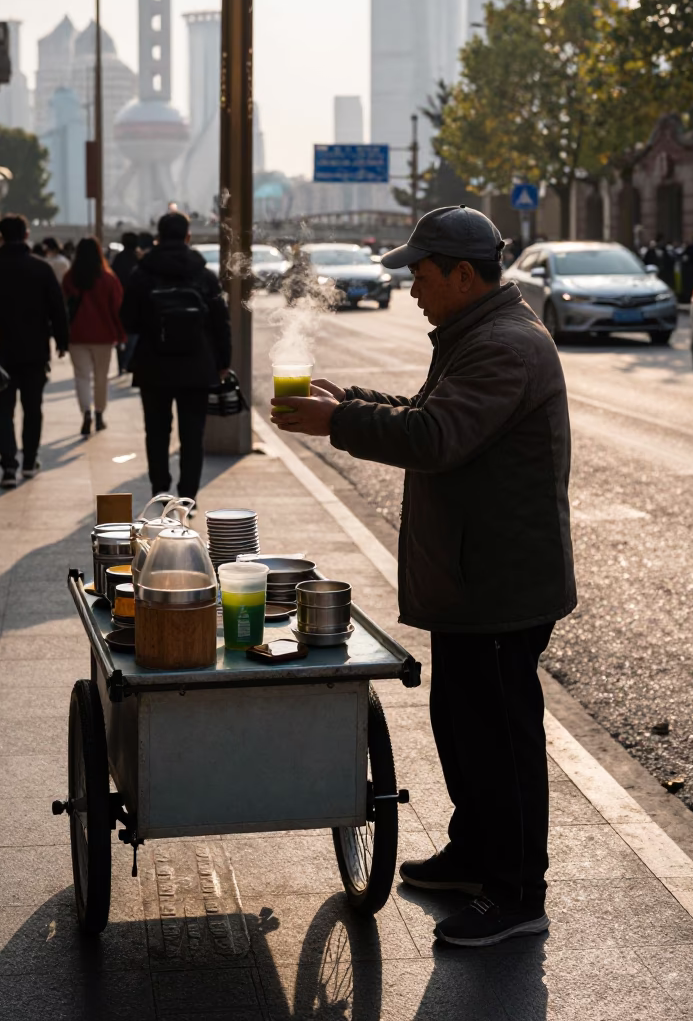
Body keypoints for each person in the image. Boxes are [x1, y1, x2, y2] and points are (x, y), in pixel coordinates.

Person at [270, 205, 576, 949]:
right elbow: (426, 412)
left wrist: (337, 424)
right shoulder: (476, 335)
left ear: (464, 275)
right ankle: (475, 854)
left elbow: (437, 436)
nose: (414, 289)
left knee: (500, 741)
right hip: (474, 582)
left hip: (502, 586)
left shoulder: (505, 346)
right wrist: (353, 403)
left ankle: (515, 892)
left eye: (423, 274)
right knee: (463, 726)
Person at [121, 211, 231, 501]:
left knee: (156, 432)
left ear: (158, 237)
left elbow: (128, 321)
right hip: (196, 366)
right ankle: (188, 496)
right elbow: (221, 322)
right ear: (188, 236)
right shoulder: (204, 275)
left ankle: (160, 490)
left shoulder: (142, 274)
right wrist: (223, 362)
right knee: (193, 435)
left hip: (153, 365)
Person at [0, 214, 69, 488]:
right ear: (26, 235)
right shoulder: (41, 269)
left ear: (0, 237)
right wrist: (62, 341)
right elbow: (57, 309)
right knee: (32, 408)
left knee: (2, 410)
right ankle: (29, 461)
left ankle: (8, 467)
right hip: (34, 352)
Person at [62, 237, 125, 437]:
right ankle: (99, 414)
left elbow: (62, 308)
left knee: (81, 377)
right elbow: (117, 309)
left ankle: (86, 413)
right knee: (101, 377)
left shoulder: (69, 278)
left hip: (77, 334)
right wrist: (121, 334)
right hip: (104, 335)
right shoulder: (108, 279)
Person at [111, 231, 141, 375]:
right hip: (136, 301)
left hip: (120, 301)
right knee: (134, 336)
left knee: (121, 335)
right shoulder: (139, 259)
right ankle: (130, 363)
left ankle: (121, 364)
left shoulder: (118, 259)